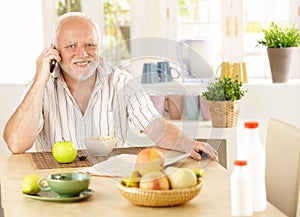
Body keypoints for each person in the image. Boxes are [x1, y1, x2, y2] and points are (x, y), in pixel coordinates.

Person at [3, 12, 218, 162]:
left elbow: (157, 128)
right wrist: (41, 79)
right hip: (59, 185)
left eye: (90, 45)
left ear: (99, 47)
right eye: (71, 46)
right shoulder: (41, 87)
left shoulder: (120, 82)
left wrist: (188, 143)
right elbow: (16, 144)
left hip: (110, 181)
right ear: (54, 50)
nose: (82, 54)